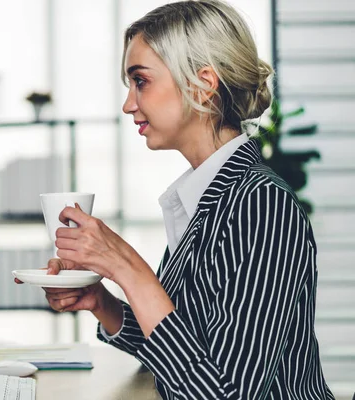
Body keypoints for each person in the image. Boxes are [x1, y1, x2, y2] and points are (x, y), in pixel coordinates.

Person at [17, 0, 336, 398]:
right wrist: (102, 301)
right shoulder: (209, 198)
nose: (129, 104)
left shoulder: (260, 206)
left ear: (203, 83)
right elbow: (182, 353)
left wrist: (127, 267)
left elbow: (225, 393)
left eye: (141, 81)